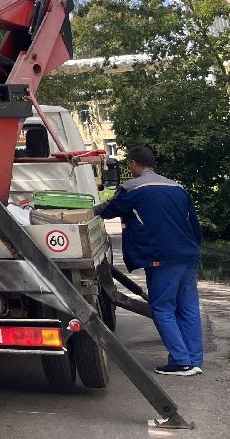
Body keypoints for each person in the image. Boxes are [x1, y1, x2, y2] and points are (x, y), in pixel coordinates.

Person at [93, 145, 204, 376]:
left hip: (161, 257)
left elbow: (108, 210)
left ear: (133, 164)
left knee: (162, 307)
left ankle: (181, 361)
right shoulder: (177, 188)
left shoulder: (133, 188)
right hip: (188, 255)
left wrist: (88, 209)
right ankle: (195, 359)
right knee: (188, 306)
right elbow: (194, 225)